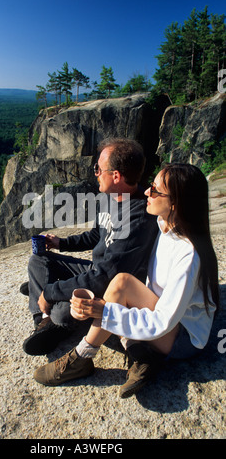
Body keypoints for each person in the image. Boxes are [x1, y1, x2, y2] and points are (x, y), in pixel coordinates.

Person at [33, 163, 220, 398]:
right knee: (119, 285)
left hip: (182, 336)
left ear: (176, 203)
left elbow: (163, 320)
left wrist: (105, 310)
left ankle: (81, 357)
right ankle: (139, 353)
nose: (146, 193)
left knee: (118, 287)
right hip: (166, 317)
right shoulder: (164, 227)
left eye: (155, 191)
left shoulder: (188, 253)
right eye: (150, 186)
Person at [22, 137, 159, 356]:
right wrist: (60, 243)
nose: (95, 172)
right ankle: (43, 320)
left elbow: (102, 278)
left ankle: (46, 304)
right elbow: (96, 235)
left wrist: (49, 291)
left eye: (98, 168)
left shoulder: (138, 217)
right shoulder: (110, 197)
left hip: (110, 287)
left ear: (116, 175)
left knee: (64, 313)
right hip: (94, 271)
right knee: (39, 260)